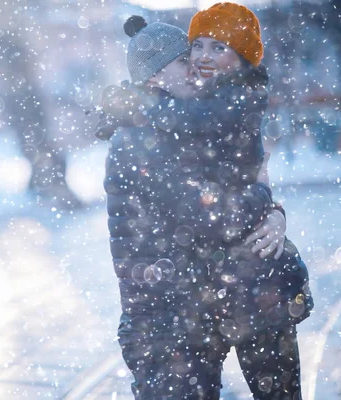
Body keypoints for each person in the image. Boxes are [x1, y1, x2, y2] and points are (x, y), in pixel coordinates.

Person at [97, 5, 313, 399]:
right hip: (168, 319)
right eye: (187, 57)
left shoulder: (187, 121)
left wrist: (274, 211)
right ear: (158, 73)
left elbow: (231, 186)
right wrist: (263, 194)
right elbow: (214, 216)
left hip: (203, 307)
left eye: (213, 50)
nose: (197, 65)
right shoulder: (148, 137)